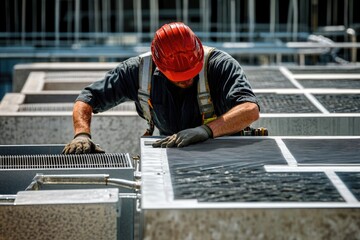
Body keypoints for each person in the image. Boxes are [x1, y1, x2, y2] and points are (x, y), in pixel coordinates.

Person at [62, 22, 260, 154]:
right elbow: (87, 98)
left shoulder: (219, 65)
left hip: (223, 149)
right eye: (178, 76)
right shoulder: (137, 72)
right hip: (172, 150)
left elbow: (249, 110)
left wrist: (206, 131)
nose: (187, 80)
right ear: (159, 65)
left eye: (191, 72)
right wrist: (82, 134)